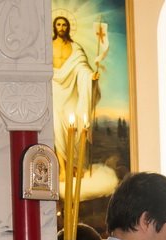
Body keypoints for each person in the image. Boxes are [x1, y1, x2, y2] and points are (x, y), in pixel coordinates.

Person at [52, 15, 106, 170]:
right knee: (57, 129)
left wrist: (90, 76)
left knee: (74, 128)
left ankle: (74, 166)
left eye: (64, 25)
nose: (61, 27)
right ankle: (63, 170)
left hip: (71, 93)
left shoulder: (75, 48)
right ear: (54, 27)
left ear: (68, 27)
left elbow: (82, 68)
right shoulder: (47, 46)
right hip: (54, 91)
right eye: (58, 24)